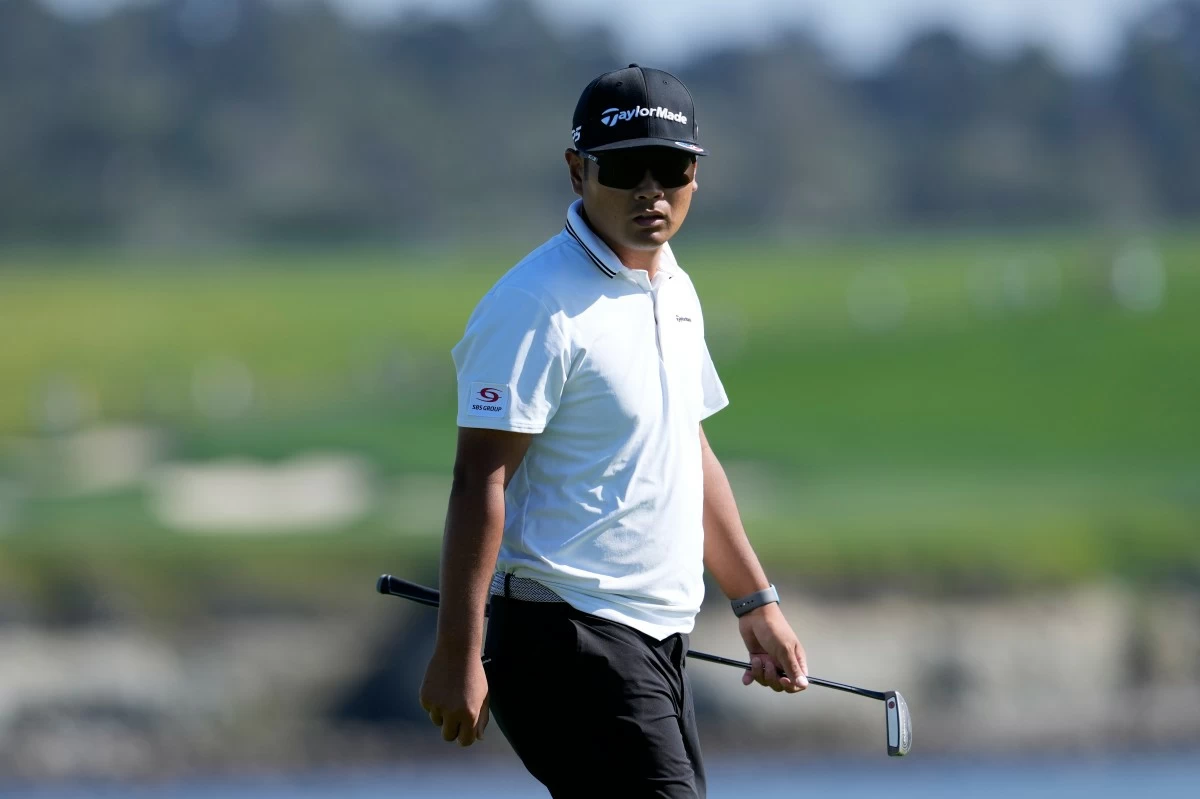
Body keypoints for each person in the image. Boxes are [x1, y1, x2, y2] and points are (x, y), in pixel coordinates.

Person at [419, 64, 809, 798]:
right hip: (565, 640)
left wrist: (756, 603)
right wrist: (457, 651)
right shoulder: (536, 304)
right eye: (626, 168)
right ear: (577, 171)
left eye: (672, 167)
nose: (651, 191)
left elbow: (686, 451)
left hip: (655, 638)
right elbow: (480, 479)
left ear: (697, 173)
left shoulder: (675, 288)